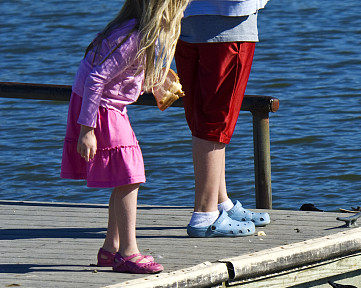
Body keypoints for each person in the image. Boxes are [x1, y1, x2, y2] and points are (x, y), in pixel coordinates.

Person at [61, 0, 191, 273]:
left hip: (106, 106)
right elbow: (96, 78)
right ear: (164, 8)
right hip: (101, 110)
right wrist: (87, 129)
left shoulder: (133, 30)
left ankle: (111, 248)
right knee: (130, 176)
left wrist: (155, 82)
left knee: (124, 178)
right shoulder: (135, 36)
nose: (184, 10)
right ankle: (129, 252)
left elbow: (120, 74)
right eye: (181, 5)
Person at [176, 0, 271, 237]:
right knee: (215, 121)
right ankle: (205, 215)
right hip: (228, 24)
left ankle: (220, 202)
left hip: (185, 20)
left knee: (202, 117)